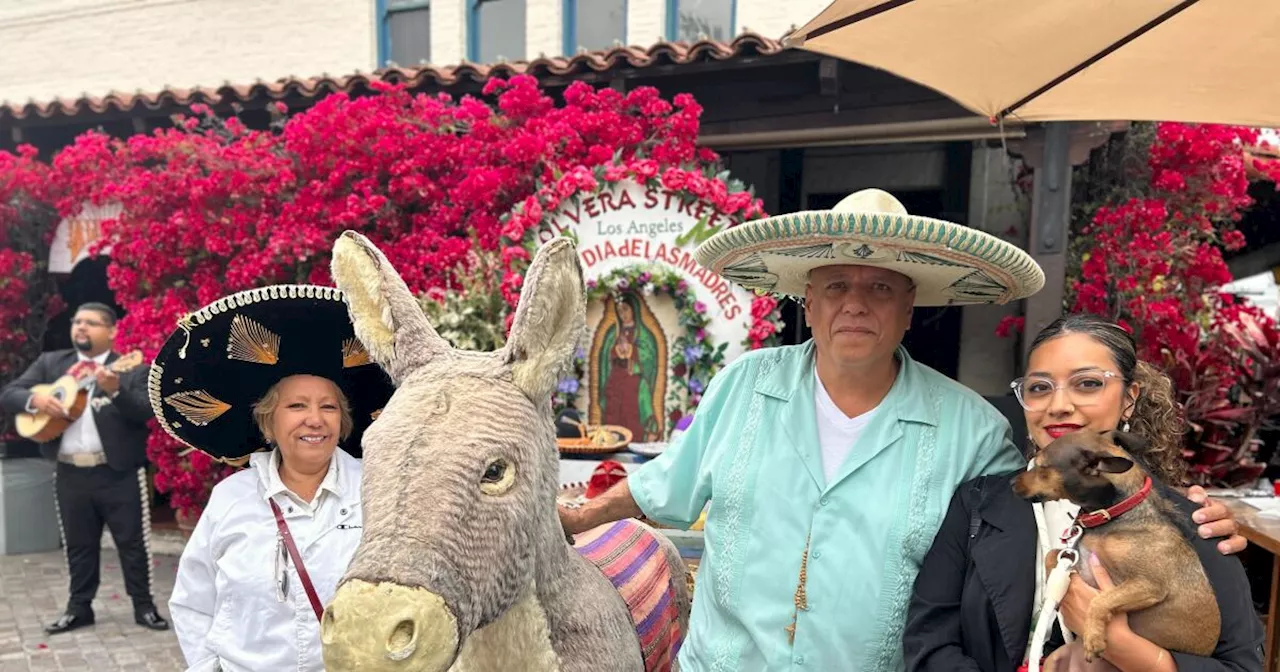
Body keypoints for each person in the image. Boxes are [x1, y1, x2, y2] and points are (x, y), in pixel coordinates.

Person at [558, 189, 1245, 671]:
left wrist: (1191, 520)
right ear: (807, 299)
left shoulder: (970, 430)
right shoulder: (744, 385)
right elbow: (665, 489)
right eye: (835, 285)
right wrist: (576, 516)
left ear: (909, 306)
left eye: (880, 287)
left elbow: (1052, 506)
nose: (855, 303)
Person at [903, 314, 1264, 671]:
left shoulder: (1194, 521)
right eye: (1040, 387)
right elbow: (929, 644)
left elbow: (1242, 665)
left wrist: (1135, 655)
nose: (1059, 405)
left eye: (1088, 383)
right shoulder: (977, 505)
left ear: (1129, 398)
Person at [155, 285, 394, 672]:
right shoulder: (231, 499)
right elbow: (192, 601)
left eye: (328, 407)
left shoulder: (379, 490)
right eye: (296, 405)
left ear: (343, 421)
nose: (314, 419)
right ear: (269, 420)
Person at [0, 302, 169, 634]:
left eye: (91, 323)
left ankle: (144, 606)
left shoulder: (132, 369)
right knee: (79, 545)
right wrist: (37, 401)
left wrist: (116, 390)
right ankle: (79, 609)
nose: (81, 327)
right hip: (70, 472)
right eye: (77, 321)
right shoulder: (52, 364)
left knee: (133, 543)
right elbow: (10, 393)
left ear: (112, 331)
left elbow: (144, 412)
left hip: (118, 472)